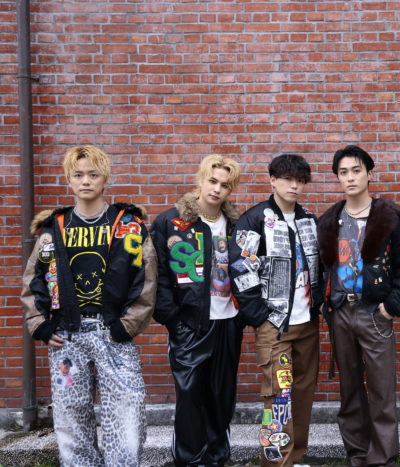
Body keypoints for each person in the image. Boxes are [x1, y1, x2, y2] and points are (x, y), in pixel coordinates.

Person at [21, 145, 157, 466]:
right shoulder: (54, 229)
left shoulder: (128, 226)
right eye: (78, 175)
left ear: (105, 178)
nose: (85, 181)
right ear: (68, 180)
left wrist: (127, 325)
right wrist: (40, 324)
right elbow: (33, 279)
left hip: (113, 333)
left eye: (93, 174)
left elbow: (146, 279)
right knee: (71, 414)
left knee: (127, 409)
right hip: (66, 337)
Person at [316, 145, 400, 467]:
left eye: (356, 171)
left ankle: (382, 459)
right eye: (343, 172)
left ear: (369, 174)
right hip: (340, 311)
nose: (350, 178)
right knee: (349, 390)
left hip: (374, 312)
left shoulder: (390, 217)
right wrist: (324, 304)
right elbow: (322, 267)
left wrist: (392, 306)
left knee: (382, 390)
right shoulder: (329, 220)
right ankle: (357, 455)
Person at [229, 154, 323, 467]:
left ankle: (295, 457)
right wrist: (260, 316)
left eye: (300, 180)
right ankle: (275, 463)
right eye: (287, 179)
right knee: (278, 395)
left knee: (304, 391)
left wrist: (318, 304)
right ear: (272, 180)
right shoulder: (254, 219)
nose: (294, 185)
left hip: (307, 322)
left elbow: (318, 266)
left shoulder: (308, 219)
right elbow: (240, 268)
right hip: (275, 326)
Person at [150, 154, 243, 466]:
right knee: (190, 396)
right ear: (200, 181)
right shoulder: (171, 222)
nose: (217, 189)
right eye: (212, 181)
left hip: (228, 321)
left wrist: (243, 316)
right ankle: (190, 460)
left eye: (224, 185)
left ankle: (217, 457)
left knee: (221, 396)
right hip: (189, 323)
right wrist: (172, 318)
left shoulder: (237, 226)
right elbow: (157, 275)